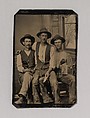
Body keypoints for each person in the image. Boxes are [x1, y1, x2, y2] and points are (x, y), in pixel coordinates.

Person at [32, 28, 60, 104]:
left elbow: (52, 61)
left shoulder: (51, 48)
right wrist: (19, 52)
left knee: (54, 82)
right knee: (34, 82)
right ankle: (37, 101)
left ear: (47, 37)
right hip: (38, 68)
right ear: (39, 37)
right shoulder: (35, 45)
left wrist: (48, 71)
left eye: (45, 36)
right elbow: (29, 51)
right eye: (42, 35)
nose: (44, 37)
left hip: (49, 68)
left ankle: (57, 101)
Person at [51, 34, 76, 104]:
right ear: (54, 44)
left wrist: (65, 66)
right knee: (54, 82)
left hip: (63, 74)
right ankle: (57, 100)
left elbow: (70, 65)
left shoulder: (66, 54)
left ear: (61, 43)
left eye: (59, 42)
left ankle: (72, 100)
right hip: (53, 74)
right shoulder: (52, 53)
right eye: (56, 43)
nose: (57, 44)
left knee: (73, 79)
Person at [15, 34, 35, 104]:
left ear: (31, 43)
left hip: (33, 73)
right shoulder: (20, 54)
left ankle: (22, 97)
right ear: (23, 43)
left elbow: (36, 65)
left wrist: (33, 70)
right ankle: (29, 98)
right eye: (26, 41)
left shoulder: (34, 53)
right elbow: (19, 67)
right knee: (27, 75)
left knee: (28, 76)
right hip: (23, 74)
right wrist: (25, 70)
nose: (28, 43)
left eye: (29, 41)